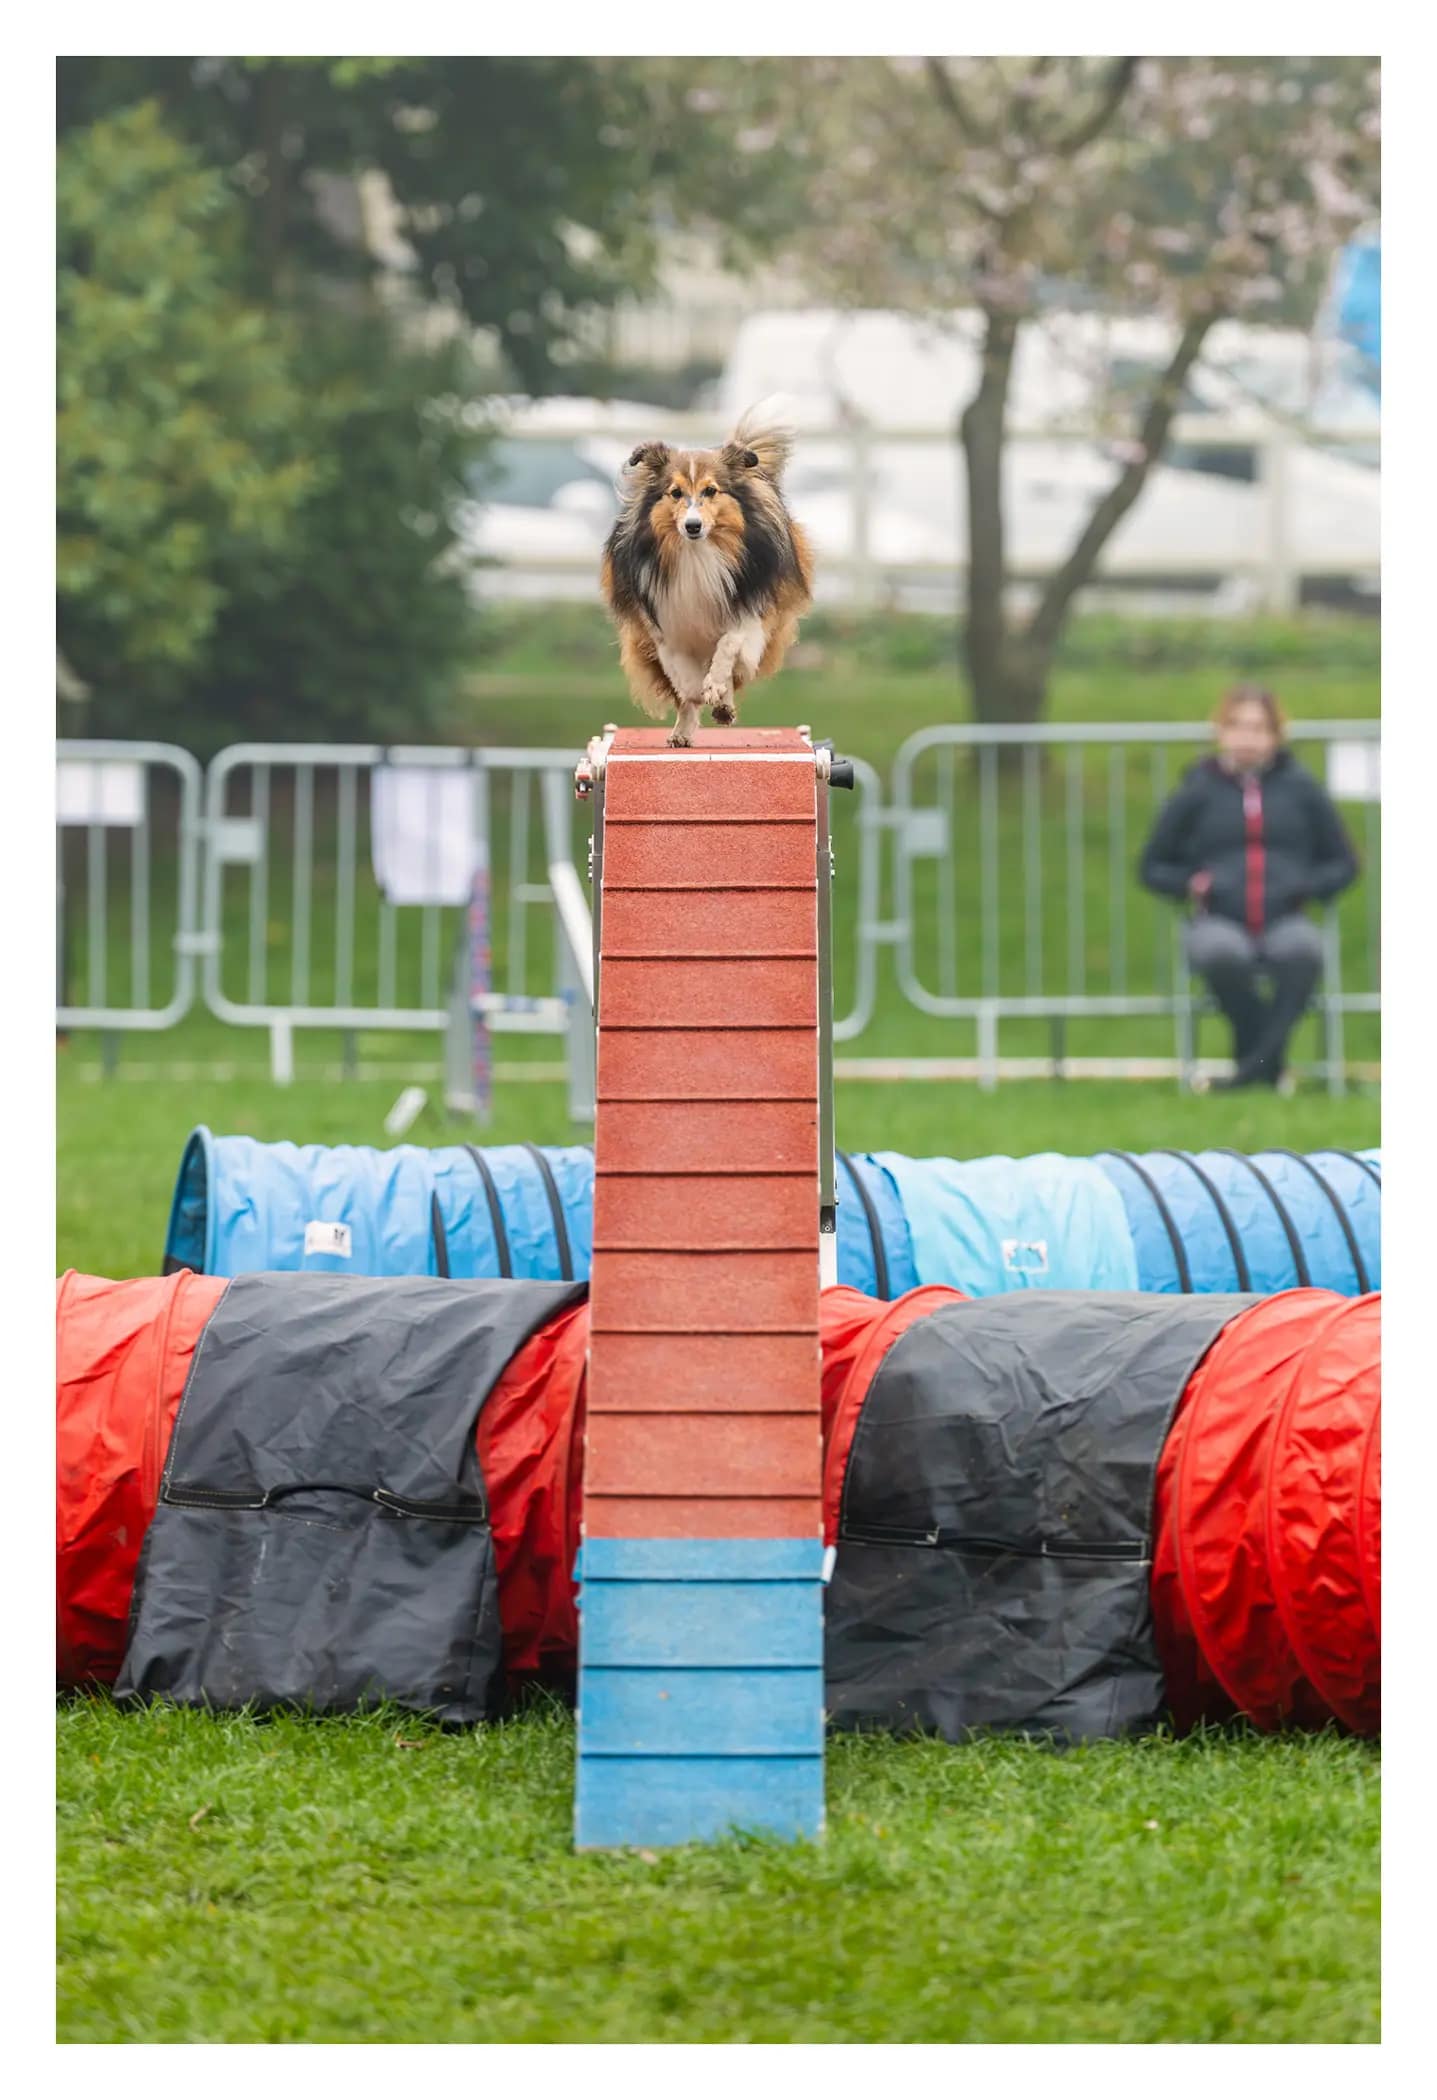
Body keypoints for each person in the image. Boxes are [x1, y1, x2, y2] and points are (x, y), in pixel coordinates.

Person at [1139, 686, 1359, 1091]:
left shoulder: (1303, 791)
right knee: (1221, 953)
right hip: (1218, 918)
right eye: (1237, 726)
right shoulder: (1195, 792)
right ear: (1220, 731)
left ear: (1276, 734)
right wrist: (1193, 884)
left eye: (1258, 728)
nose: (1247, 737)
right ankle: (1265, 1065)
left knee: (1303, 951)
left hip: (1285, 917)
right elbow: (1152, 866)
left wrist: (1307, 887)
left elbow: (1344, 863)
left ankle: (1249, 1071)